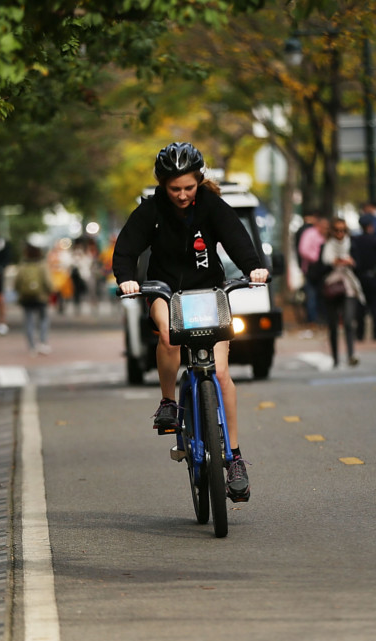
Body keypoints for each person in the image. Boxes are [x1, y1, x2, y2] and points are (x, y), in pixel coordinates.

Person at [111, 142, 268, 503]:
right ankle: (168, 401)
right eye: (174, 189)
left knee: (223, 374)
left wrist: (252, 268)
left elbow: (236, 238)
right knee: (168, 337)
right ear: (162, 185)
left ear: (199, 181)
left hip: (210, 293)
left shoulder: (211, 205)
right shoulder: (149, 211)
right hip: (165, 293)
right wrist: (126, 278)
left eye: (189, 187)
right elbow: (126, 250)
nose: (182, 195)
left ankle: (234, 457)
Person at [320, 219, 364, 368]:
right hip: (331, 288)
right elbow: (318, 270)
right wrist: (334, 263)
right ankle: (335, 358)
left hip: (349, 286)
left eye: (343, 230)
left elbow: (361, 266)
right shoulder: (325, 248)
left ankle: (351, 354)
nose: (340, 233)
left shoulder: (352, 245)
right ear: (332, 232)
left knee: (348, 321)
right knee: (332, 325)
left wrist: (351, 263)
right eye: (337, 230)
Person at [351, 214, 376, 341]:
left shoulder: (355, 240)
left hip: (360, 277)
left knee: (360, 307)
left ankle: (360, 334)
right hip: (374, 277)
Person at [13, 240, 54, 355]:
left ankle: (31, 346)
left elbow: (17, 282)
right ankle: (43, 342)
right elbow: (48, 282)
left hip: (26, 297)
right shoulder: (42, 265)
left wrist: (19, 291)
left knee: (29, 321)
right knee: (43, 319)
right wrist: (50, 291)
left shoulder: (23, 264)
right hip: (40, 297)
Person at [297, 216, 329, 326]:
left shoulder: (325, 236)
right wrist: (317, 258)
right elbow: (303, 250)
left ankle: (322, 317)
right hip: (311, 269)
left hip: (323, 271)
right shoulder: (309, 234)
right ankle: (312, 319)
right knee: (311, 295)